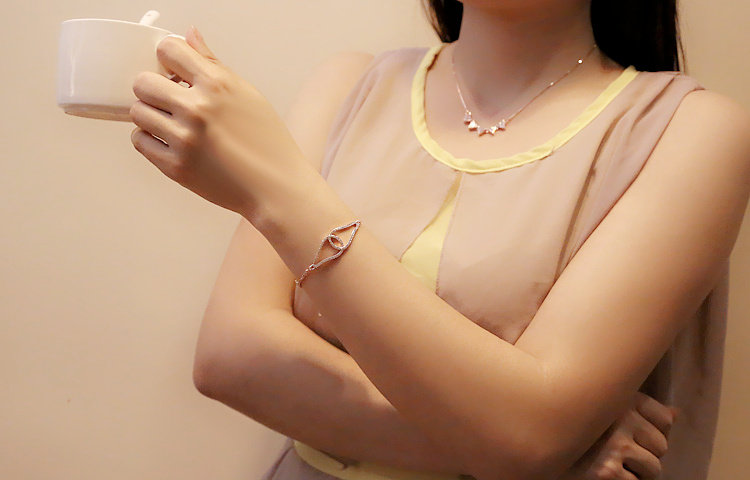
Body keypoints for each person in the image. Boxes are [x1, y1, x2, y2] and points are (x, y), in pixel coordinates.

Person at [127, 1, 750, 479]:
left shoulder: (692, 131)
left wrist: (275, 188)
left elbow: (525, 435)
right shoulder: (349, 84)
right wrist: (544, 453)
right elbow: (230, 359)